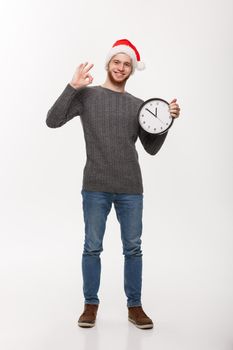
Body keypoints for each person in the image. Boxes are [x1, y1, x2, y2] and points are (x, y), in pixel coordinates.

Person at [46, 39, 180, 330]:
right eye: (117, 62)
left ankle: (135, 307)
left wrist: (167, 122)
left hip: (131, 187)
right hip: (95, 185)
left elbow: (152, 148)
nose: (121, 67)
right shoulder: (87, 96)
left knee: (133, 249)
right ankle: (90, 306)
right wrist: (72, 87)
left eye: (127, 64)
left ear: (132, 69)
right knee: (92, 247)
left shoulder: (138, 105)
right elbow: (52, 120)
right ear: (109, 64)